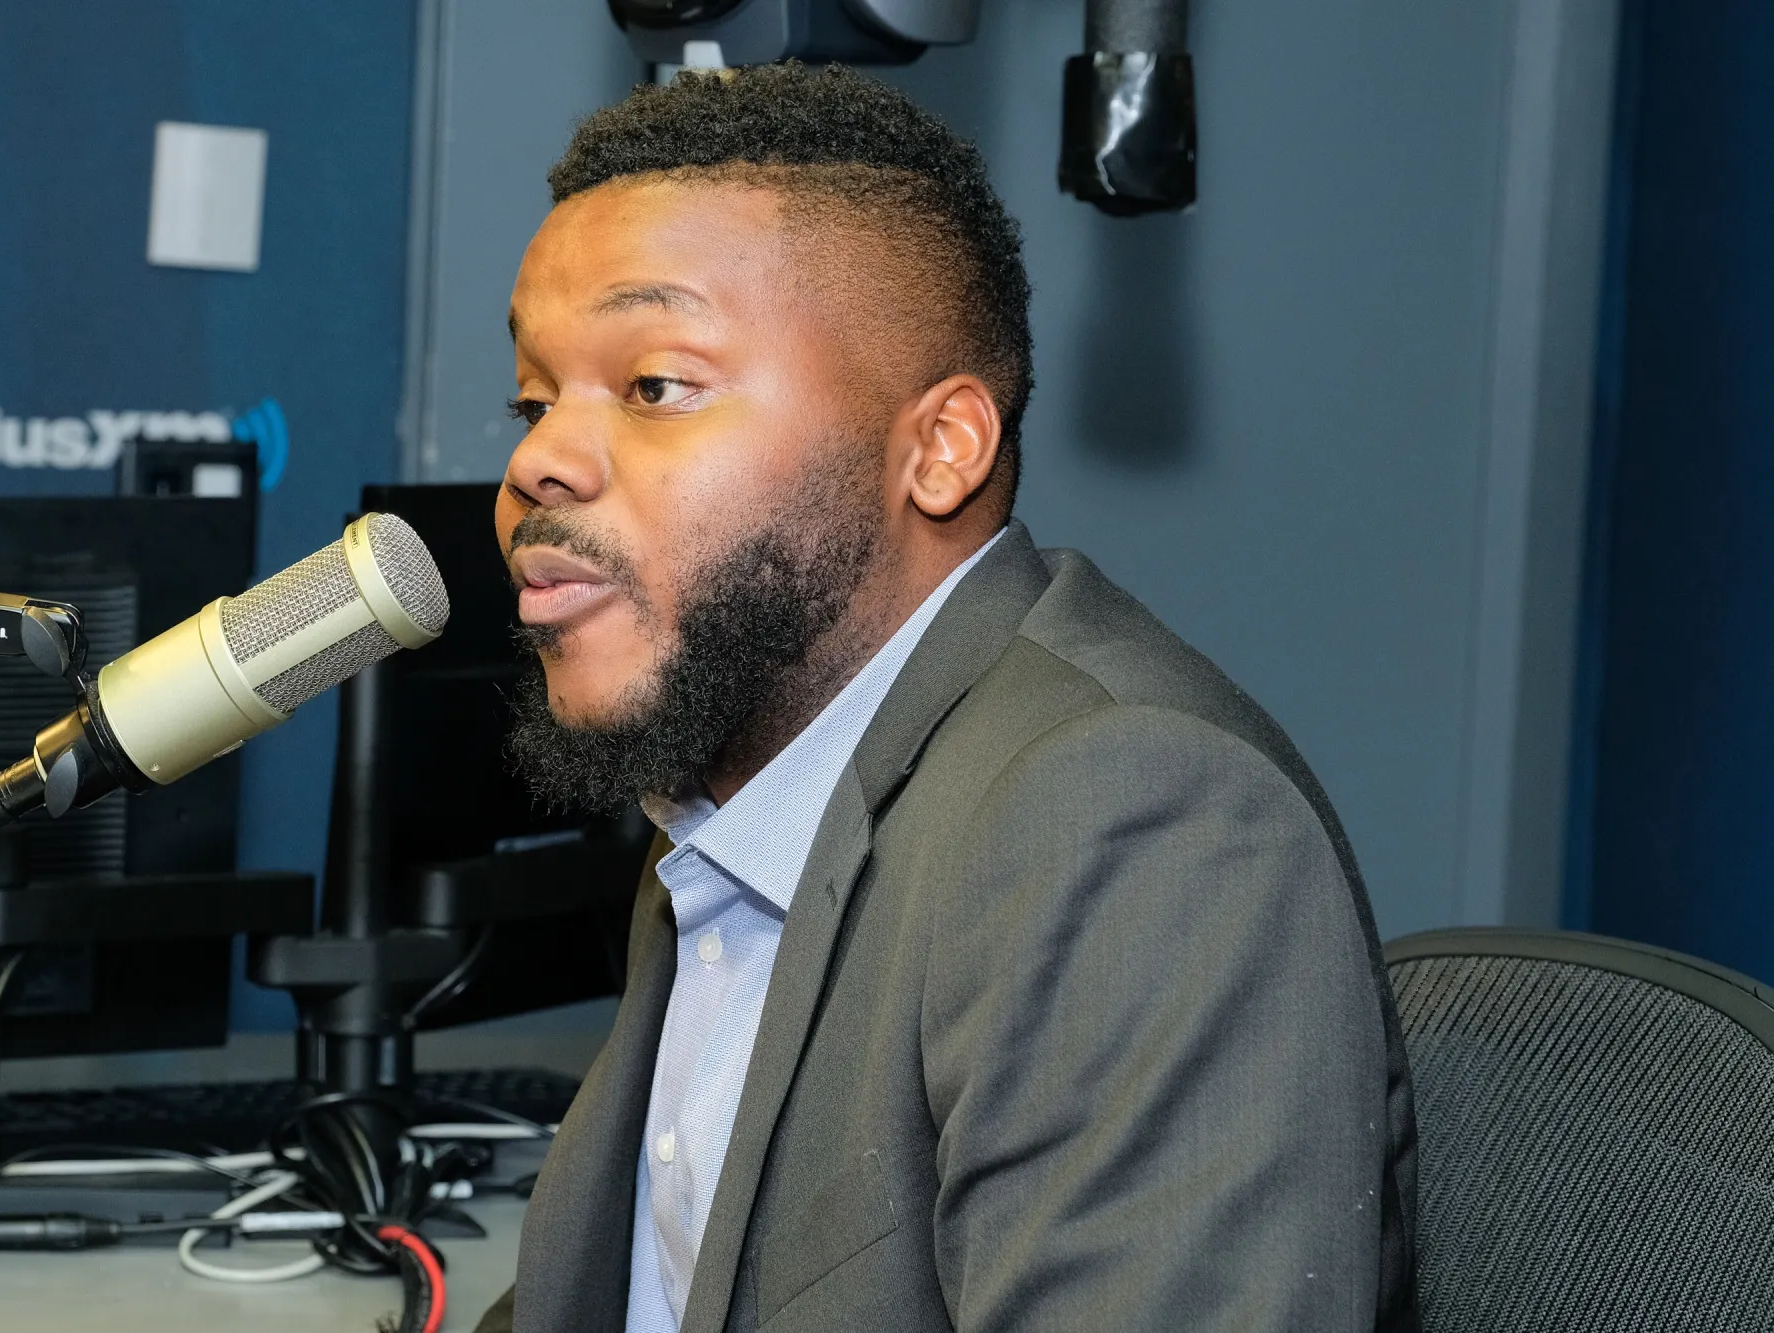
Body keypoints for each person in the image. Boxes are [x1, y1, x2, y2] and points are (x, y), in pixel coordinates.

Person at [481, 63, 1417, 1333]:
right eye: (531, 400)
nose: (536, 459)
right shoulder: (733, 799)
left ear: (939, 449)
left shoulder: (1135, 823)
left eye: (655, 386)